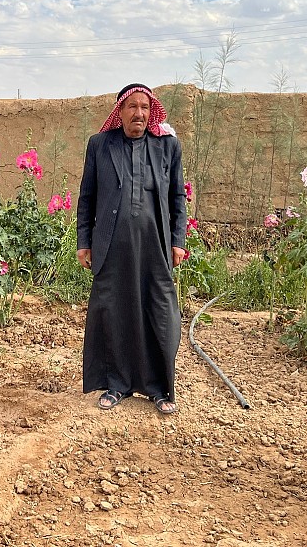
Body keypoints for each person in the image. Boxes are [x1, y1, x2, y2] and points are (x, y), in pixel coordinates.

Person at [76, 83, 187, 415]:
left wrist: (178, 241)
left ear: (151, 112)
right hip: (111, 246)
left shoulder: (167, 146)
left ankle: (160, 388)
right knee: (114, 313)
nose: (139, 113)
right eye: (132, 107)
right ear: (120, 111)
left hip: (155, 246)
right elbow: (87, 197)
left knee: (160, 314)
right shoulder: (100, 145)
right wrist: (84, 241)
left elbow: (177, 197)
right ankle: (117, 384)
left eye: (145, 107)